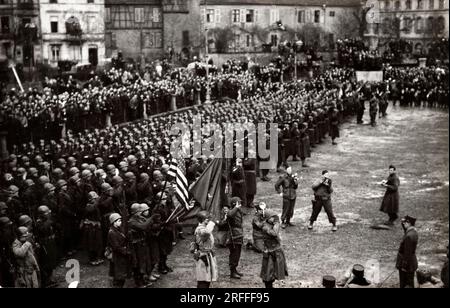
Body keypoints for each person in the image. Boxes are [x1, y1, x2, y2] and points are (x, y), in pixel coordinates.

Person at [259, 203, 288, 288]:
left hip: (276, 251)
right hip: (269, 252)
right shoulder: (264, 225)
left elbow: (275, 233)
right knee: (267, 274)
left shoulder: (274, 224)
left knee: (277, 272)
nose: (275, 219)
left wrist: (270, 227)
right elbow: (272, 233)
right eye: (273, 217)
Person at [193, 211, 218, 288]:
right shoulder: (200, 229)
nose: (208, 220)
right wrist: (212, 223)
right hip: (203, 256)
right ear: (202, 220)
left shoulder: (203, 228)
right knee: (203, 279)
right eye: (207, 219)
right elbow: (206, 233)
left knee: (207, 278)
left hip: (207, 255)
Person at [107, 212, 130, 288]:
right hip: (117, 257)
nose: (120, 222)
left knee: (121, 276)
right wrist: (126, 251)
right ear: (114, 222)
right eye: (118, 221)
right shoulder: (112, 232)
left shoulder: (118, 230)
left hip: (121, 256)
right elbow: (116, 247)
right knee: (118, 276)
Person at [396, 215, 418, 288]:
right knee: (410, 282)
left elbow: (407, 253)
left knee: (404, 284)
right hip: (411, 262)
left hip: (406, 264)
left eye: (405, 222)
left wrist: (404, 266)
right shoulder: (413, 232)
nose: (403, 223)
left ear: (409, 223)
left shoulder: (408, 236)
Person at [226, 197, 244, 279]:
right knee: (234, 254)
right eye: (238, 203)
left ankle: (235, 270)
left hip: (238, 235)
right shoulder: (230, 211)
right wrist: (236, 208)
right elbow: (229, 214)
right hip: (233, 237)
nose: (240, 205)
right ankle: (232, 272)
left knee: (237, 254)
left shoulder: (238, 211)